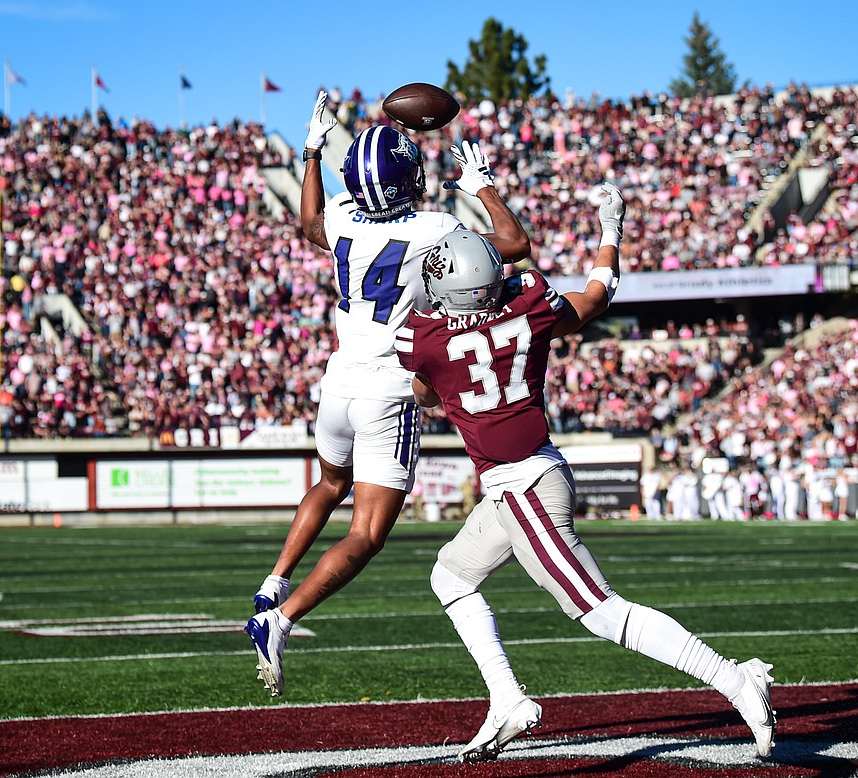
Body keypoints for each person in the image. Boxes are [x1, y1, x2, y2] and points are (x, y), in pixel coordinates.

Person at [398, 185, 775, 763]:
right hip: (523, 480)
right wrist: (609, 228)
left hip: (521, 486)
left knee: (599, 611)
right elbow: (598, 294)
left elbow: (423, 390)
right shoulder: (527, 302)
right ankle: (505, 699)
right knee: (450, 576)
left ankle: (732, 678)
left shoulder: (426, 341)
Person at [245, 91, 531, 697]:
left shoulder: (345, 217)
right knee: (368, 534)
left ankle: (274, 580)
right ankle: (281, 617)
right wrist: (482, 186)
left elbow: (309, 224)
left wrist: (312, 150)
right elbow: (513, 245)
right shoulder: (435, 229)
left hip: (338, 381)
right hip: (389, 389)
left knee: (328, 485)